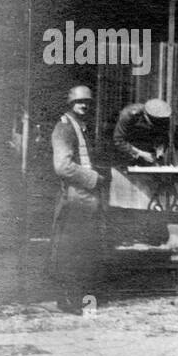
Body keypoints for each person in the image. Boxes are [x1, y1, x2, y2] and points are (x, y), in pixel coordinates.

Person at [50, 85, 104, 315]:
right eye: (79, 102)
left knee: (84, 249)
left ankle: (81, 300)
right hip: (74, 198)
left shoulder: (82, 127)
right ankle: (69, 300)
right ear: (70, 104)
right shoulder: (64, 128)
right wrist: (93, 178)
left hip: (86, 198)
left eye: (87, 102)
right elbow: (62, 166)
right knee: (71, 250)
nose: (84, 105)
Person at [112, 98, 172, 167]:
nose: (159, 124)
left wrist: (160, 149)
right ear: (145, 115)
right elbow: (118, 140)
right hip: (127, 150)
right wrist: (141, 154)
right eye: (155, 121)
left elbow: (164, 137)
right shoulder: (130, 114)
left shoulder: (164, 118)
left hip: (148, 151)